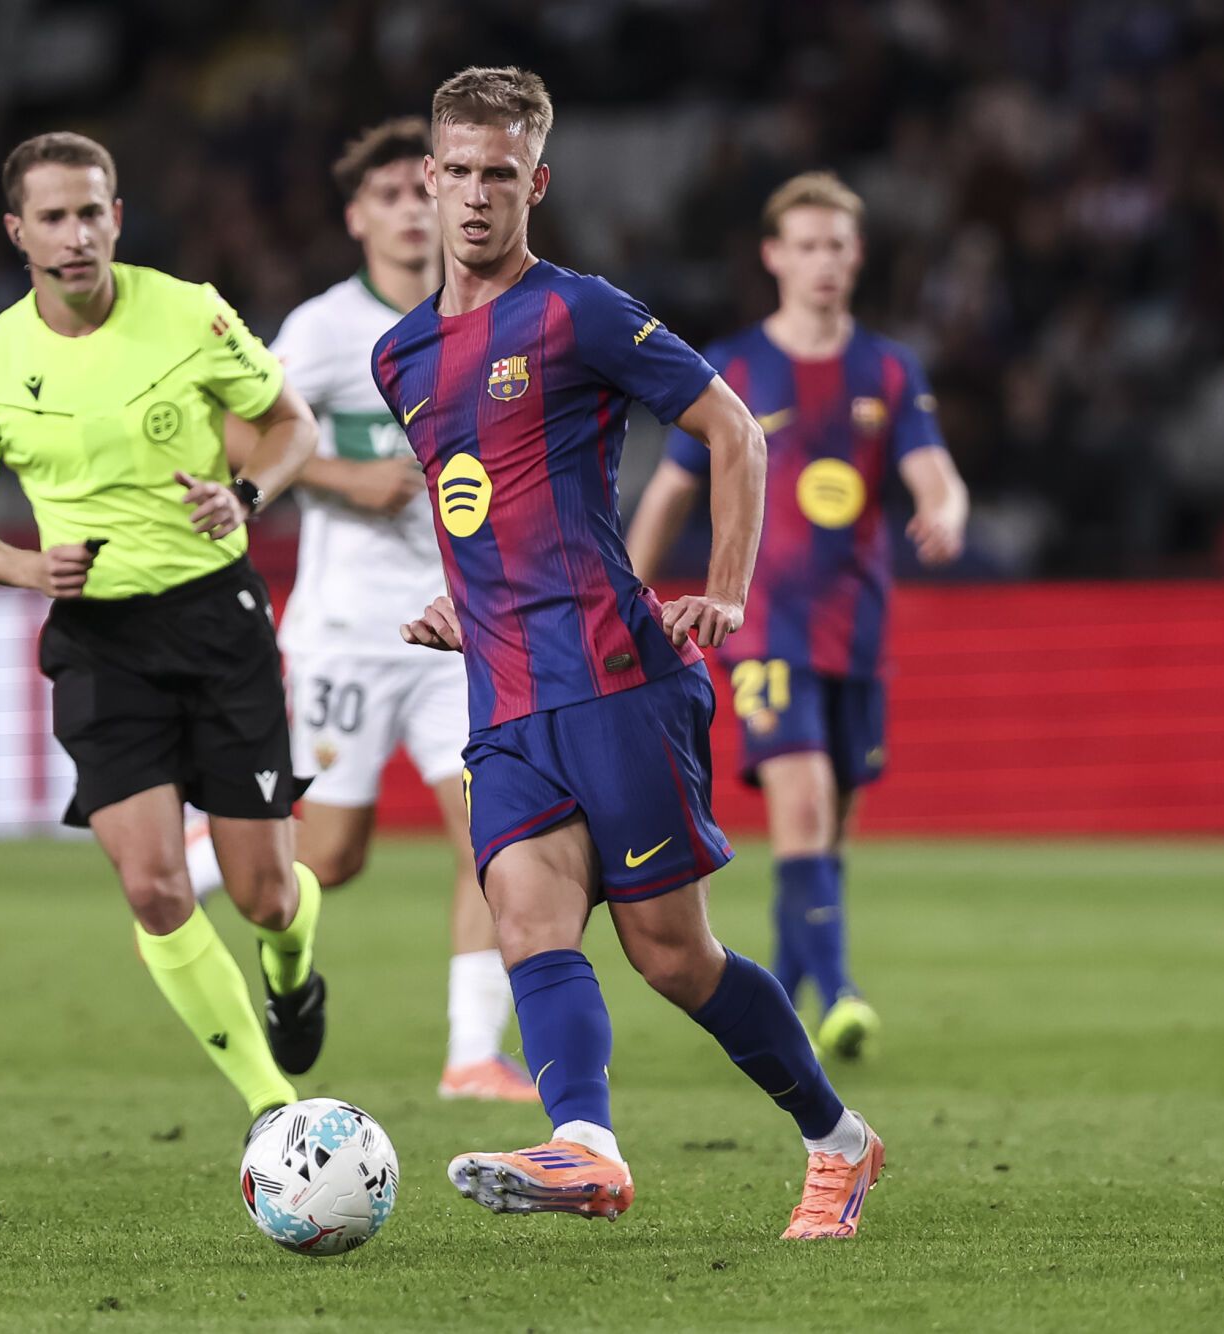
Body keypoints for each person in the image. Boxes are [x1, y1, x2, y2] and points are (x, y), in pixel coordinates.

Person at [378, 67, 882, 1238]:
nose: (476, 195)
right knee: (526, 922)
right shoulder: (398, 356)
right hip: (503, 697)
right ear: (428, 177)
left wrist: (724, 589)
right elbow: (478, 501)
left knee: (671, 956)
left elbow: (730, 430)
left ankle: (837, 1139)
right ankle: (586, 1147)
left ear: (535, 183)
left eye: (502, 174)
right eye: (460, 172)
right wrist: (462, 599)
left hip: (615, 679)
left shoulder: (579, 312)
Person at [0, 130, 326, 1132]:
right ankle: (272, 1108)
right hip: (100, 638)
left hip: (217, 620)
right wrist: (25, 567)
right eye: (52, 218)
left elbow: (292, 425)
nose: (75, 235)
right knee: (152, 886)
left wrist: (245, 494)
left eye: (90, 213)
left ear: (117, 217)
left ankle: (291, 969)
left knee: (266, 895)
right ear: (17, 232)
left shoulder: (190, 312)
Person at [196, 117, 537, 1102]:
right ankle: (196, 858)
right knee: (332, 858)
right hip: (347, 631)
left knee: (493, 836)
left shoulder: (486, 314)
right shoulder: (325, 329)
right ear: (356, 218)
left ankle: (471, 1053)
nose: (407, 213)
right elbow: (237, 429)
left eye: (415, 192)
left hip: (459, 629)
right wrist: (345, 478)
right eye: (384, 197)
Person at [626, 172, 969, 1063]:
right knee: (804, 803)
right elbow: (671, 489)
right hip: (765, 623)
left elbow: (934, 473)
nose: (824, 262)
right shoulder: (735, 368)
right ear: (775, 256)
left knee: (830, 824)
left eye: (837, 246)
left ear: (858, 257)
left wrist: (946, 512)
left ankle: (774, 998)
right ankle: (843, 994)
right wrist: (625, 591)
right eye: (807, 246)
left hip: (857, 627)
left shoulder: (888, 369)